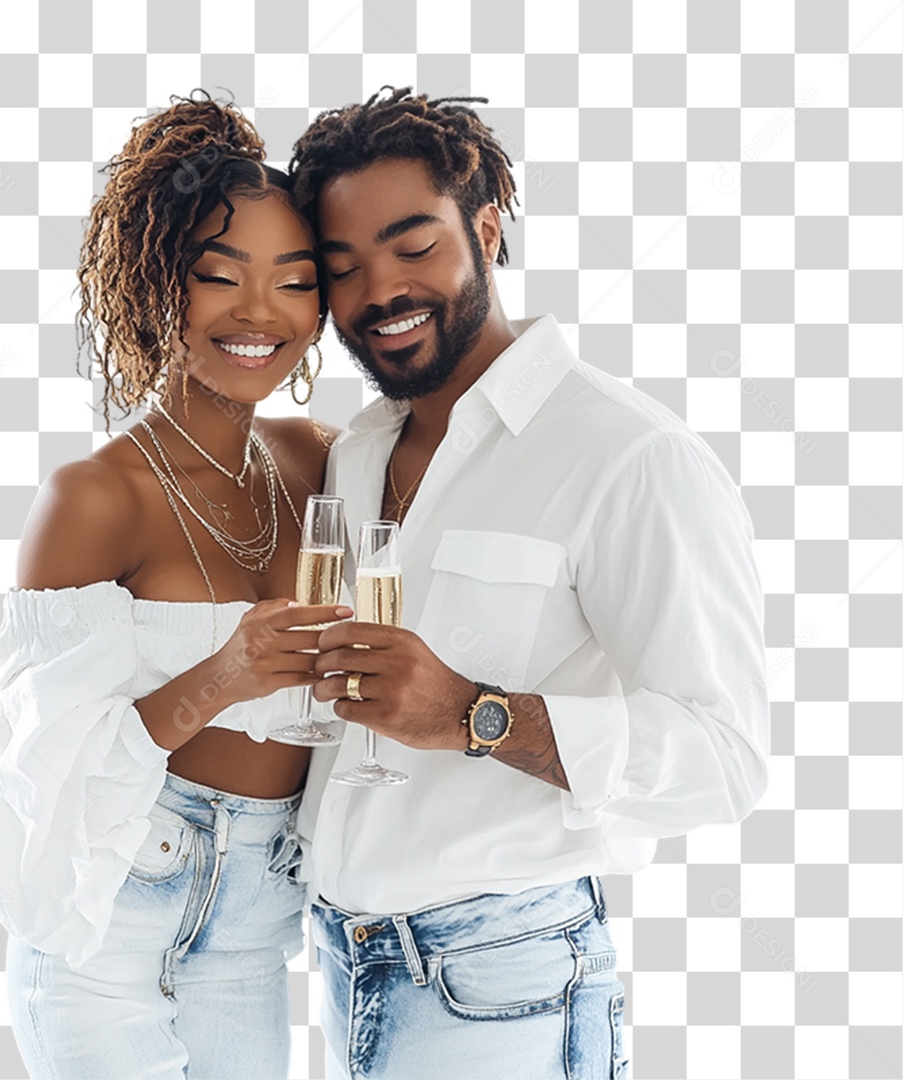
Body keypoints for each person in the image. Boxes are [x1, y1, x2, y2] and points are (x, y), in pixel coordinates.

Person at [287, 87, 770, 1080]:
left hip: (503, 983)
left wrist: (476, 715)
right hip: (344, 965)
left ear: (487, 227)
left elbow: (726, 759)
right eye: (345, 267)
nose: (380, 289)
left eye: (412, 244)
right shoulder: (360, 448)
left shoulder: (630, 456)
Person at [0, 93, 350, 1080]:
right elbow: (37, 779)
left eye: (295, 283)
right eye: (220, 276)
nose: (260, 313)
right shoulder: (97, 499)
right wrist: (218, 679)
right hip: (108, 930)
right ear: (158, 284)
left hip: (258, 931)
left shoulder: (319, 463)